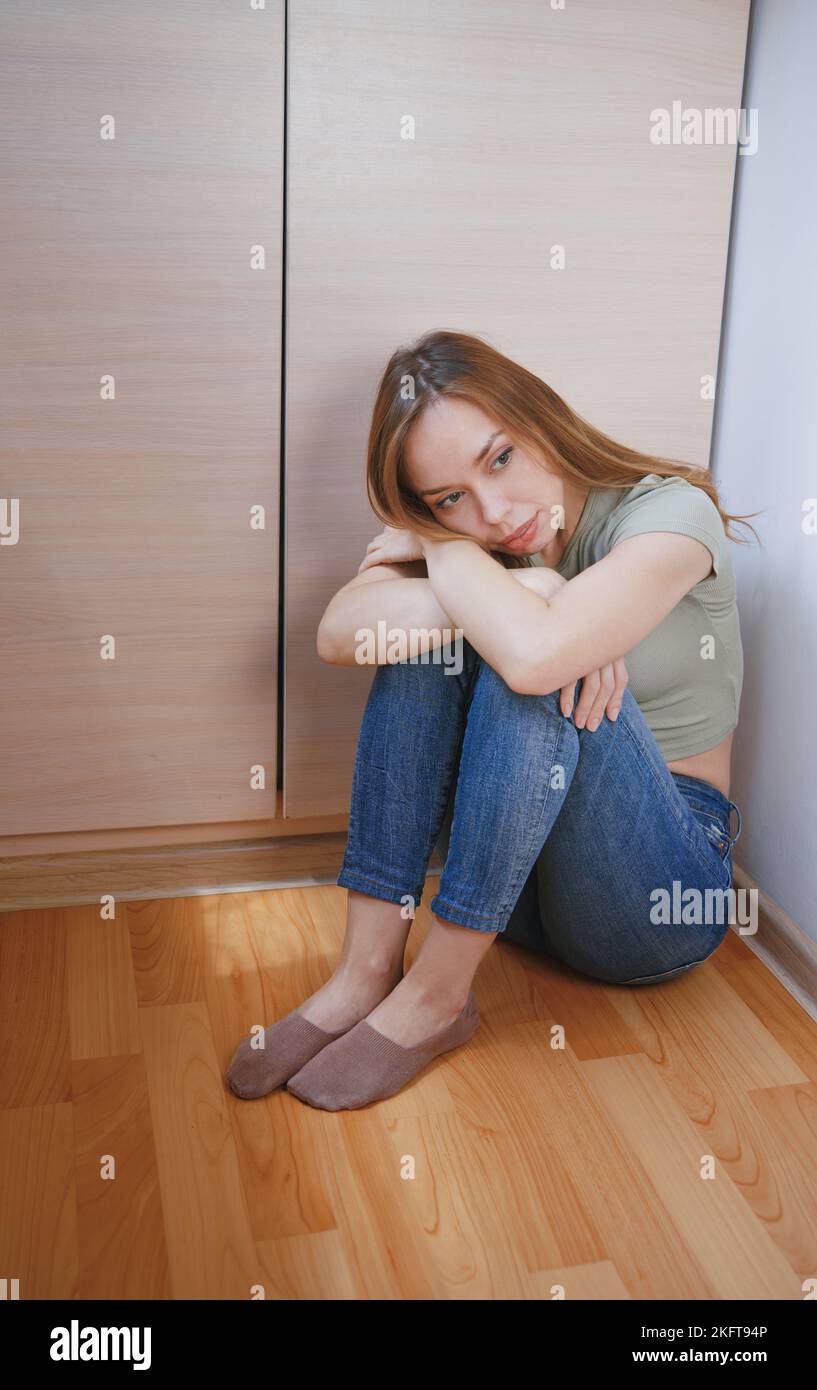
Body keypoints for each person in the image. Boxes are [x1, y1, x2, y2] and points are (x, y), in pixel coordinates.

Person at [225, 329, 761, 1111]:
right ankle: (364, 972)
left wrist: (445, 552)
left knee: (529, 663)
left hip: (658, 893)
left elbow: (538, 661)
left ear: (540, 418)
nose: (494, 512)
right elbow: (339, 633)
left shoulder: (670, 516)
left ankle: (437, 998)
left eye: (499, 458)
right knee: (438, 644)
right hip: (517, 890)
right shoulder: (489, 543)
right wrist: (518, 582)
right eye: (447, 500)